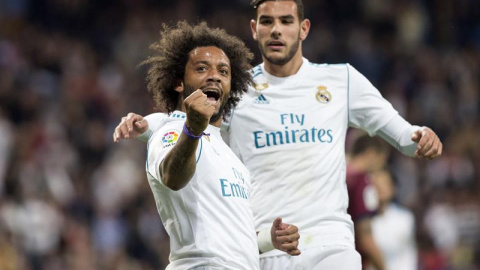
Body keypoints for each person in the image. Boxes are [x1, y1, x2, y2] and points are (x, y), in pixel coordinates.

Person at [114, 1, 442, 269]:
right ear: (254, 29)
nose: (276, 29)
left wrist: (419, 135)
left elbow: (402, 134)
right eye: (267, 21)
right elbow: (188, 115)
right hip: (264, 250)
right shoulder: (237, 91)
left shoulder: (341, 81)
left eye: (286, 20)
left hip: (330, 244)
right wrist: (147, 125)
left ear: (304, 28)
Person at [135, 21, 300, 270]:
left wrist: (269, 239)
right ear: (179, 82)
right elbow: (172, 177)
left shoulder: (229, 155)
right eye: (202, 68)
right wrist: (192, 130)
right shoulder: (170, 130)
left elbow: (227, 239)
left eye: (223, 72)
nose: (214, 75)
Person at [346, 133, 391, 270]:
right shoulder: (362, 182)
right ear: (371, 153)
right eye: (381, 161)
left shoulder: (336, 175)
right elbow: (365, 239)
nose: (380, 168)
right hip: (351, 261)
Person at [370, 169, 418, 270]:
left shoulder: (405, 219)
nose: (379, 189)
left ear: (392, 188)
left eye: (384, 184)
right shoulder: (362, 221)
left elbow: (408, 255)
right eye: (375, 185)